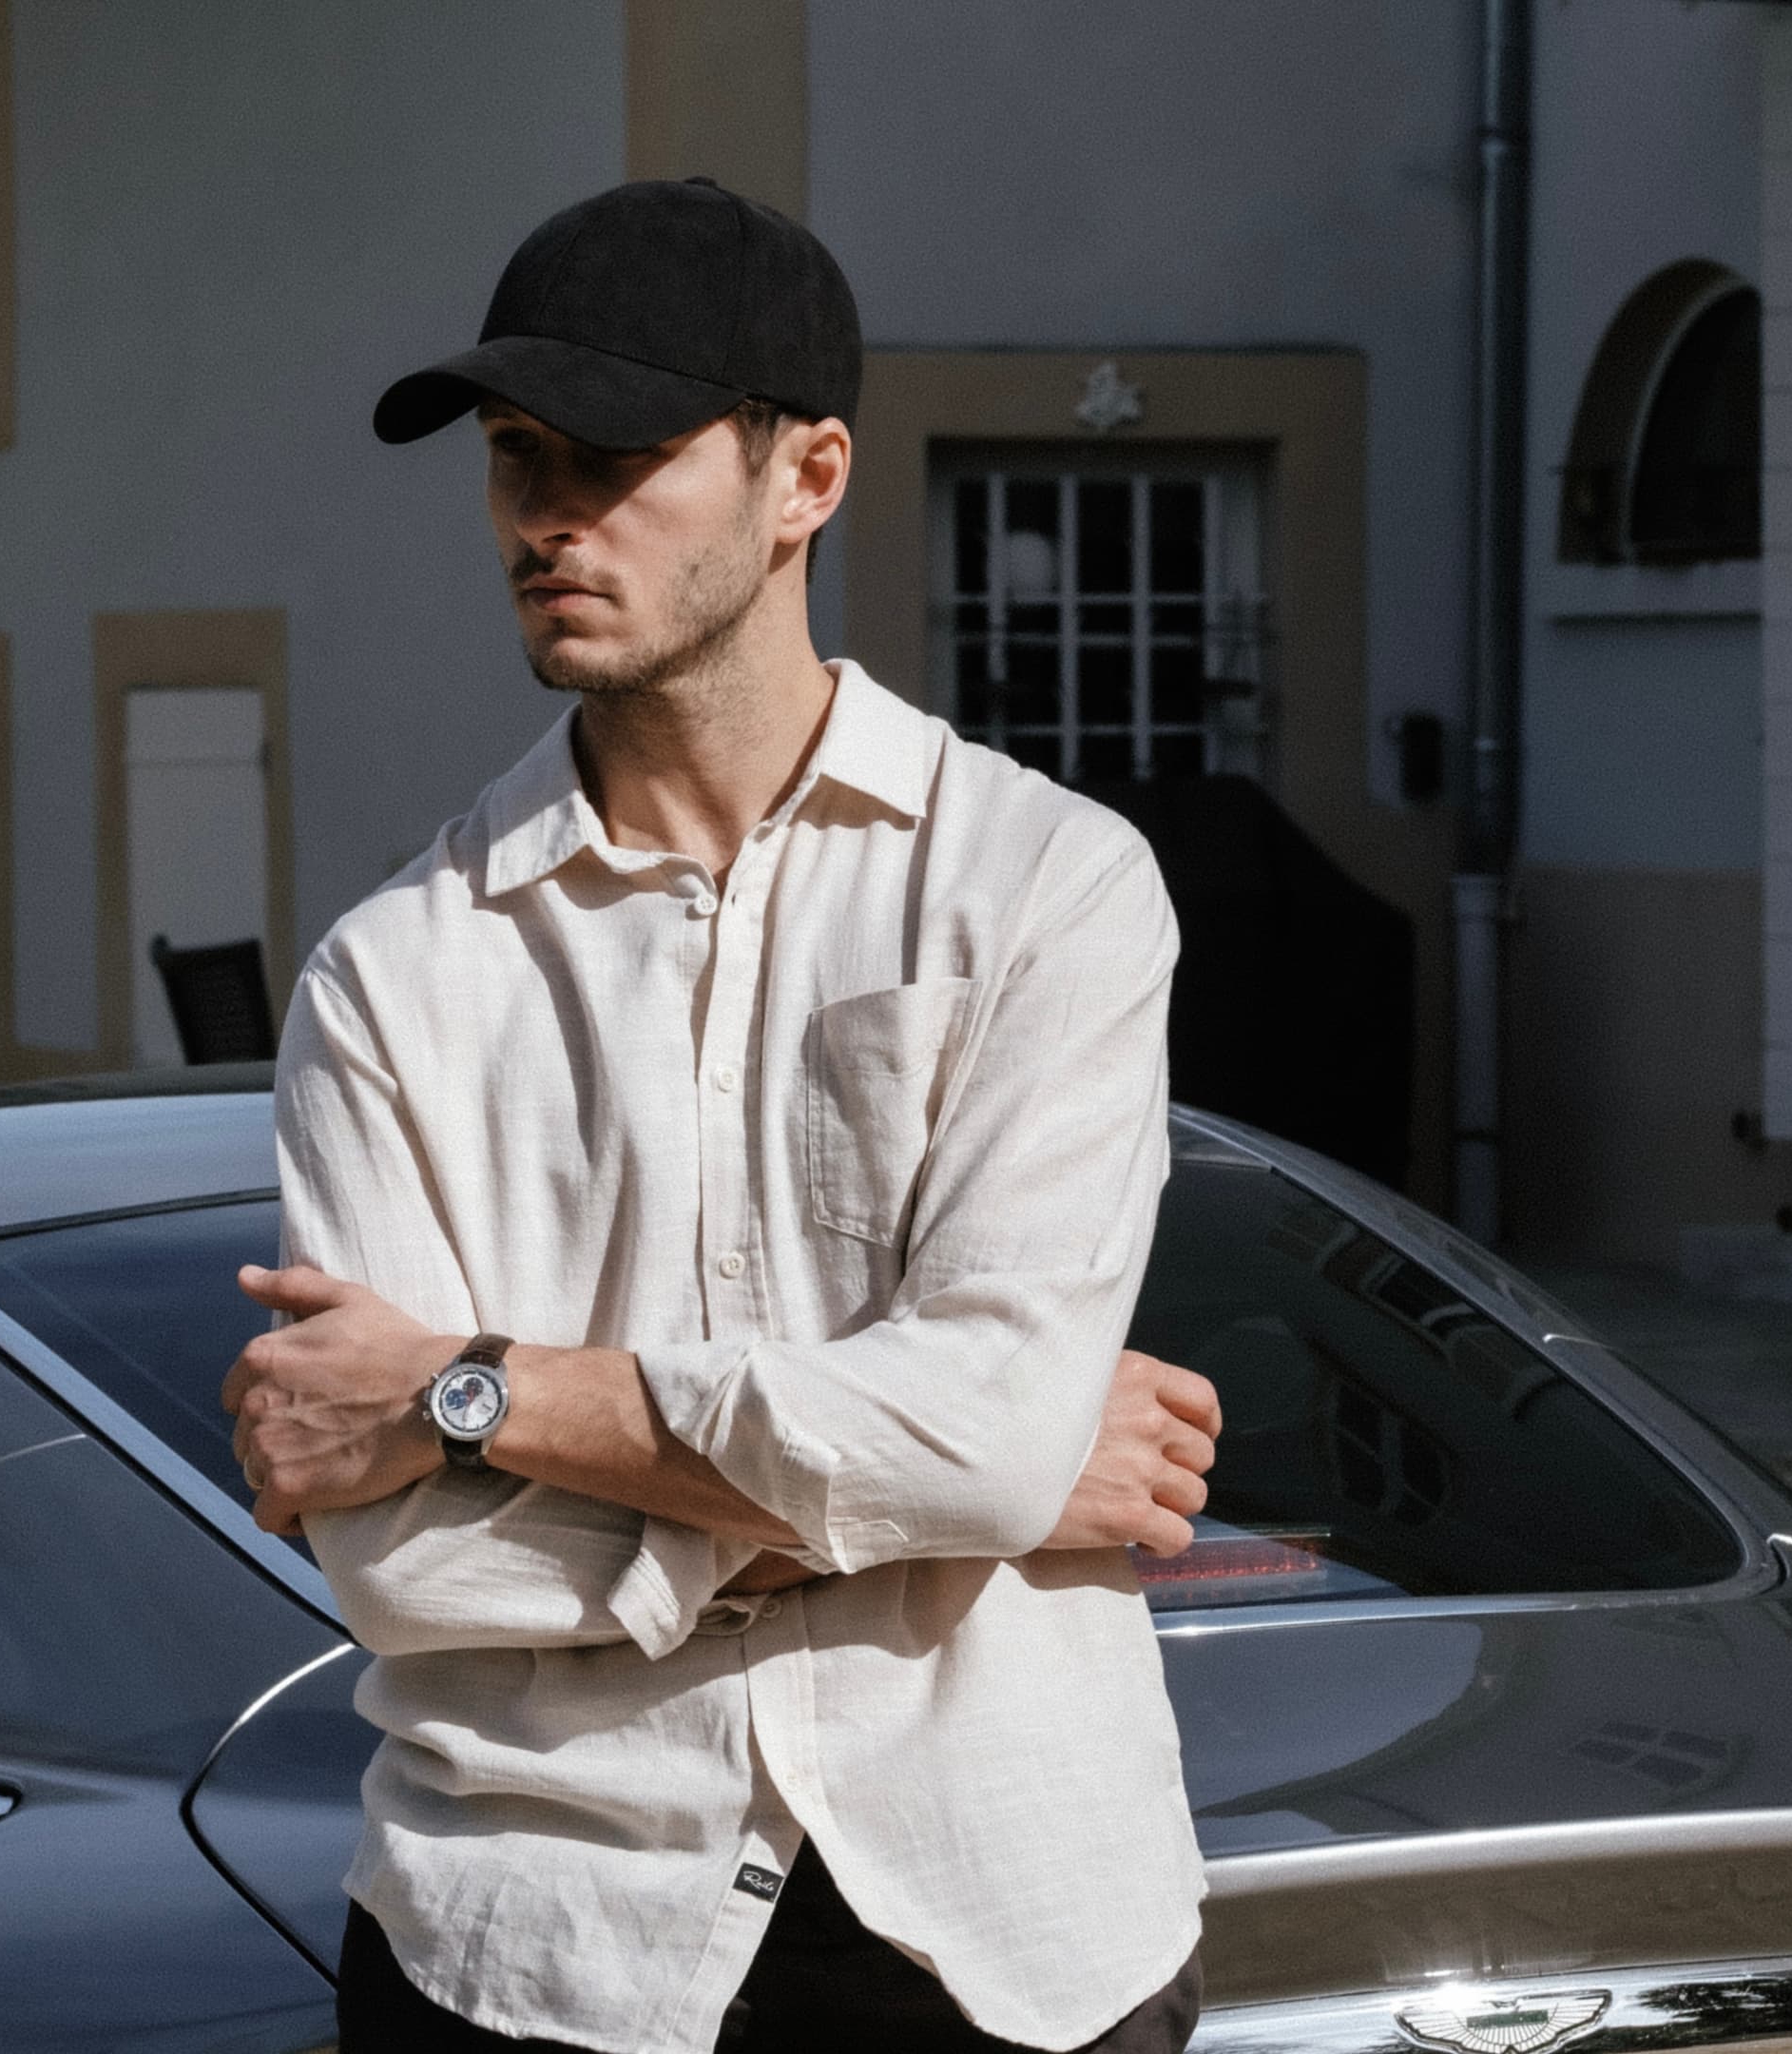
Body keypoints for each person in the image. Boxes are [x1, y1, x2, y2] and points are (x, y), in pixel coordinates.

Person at [220, 178, 1220, 2054]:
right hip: (531, 1950)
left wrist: (471, 1398)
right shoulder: (396, 977)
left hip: (1006, 1937)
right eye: (518, 457)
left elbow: (990, 1430)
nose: (546, 513)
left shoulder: (1047, 889)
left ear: (807, 477)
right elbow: (400, 1567)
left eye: (614, 453)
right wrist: (944, 1499)